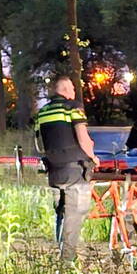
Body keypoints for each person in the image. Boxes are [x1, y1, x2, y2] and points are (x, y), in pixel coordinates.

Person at [34, 76, 99, 263]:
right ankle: (67, 262)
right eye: (71, 88)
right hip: (75, 171)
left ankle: (61, 252)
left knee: (61, 214)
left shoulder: (43, 112)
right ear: (63, 89)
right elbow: (83, 139)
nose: (73, 91)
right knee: (75, 215)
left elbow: (39, 144)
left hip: (54, 172)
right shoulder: (72, 108)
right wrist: (93, 157)